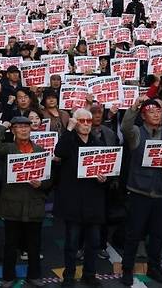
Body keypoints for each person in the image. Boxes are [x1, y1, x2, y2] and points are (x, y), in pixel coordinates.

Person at [120, 97, 162, 286]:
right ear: (144, 116)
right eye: (151, 111)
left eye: (159, 111)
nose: (156, 114)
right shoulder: (137, 133)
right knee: (133, 233)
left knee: (158, 234)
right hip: (140, 191)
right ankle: (127, 270)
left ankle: (155, 268)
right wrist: (135, 106)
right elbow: (125, 127)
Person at [0, 116, 51, 288]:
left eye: (26, 127)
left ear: (31, 129)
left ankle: (35, 275)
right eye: (19, 127)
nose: (23, 130)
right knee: (10, 244)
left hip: (34, 203)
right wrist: (3, 126)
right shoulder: (8, 148)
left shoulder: (40, 150)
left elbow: (49, 179)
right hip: (12, 204)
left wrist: (42, 184)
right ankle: (8, 276)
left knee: (34, 244)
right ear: (14, 130)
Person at [54, 109, 106, 287]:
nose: (86, 124)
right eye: (81, 121)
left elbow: (109, 168)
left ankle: (89, 274)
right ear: (75, 122)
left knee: (93, 242)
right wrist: (69, 129)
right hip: (73, 200)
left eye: (89, 121)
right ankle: (69, 276)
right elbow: (59, 152)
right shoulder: (69, 140)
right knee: (72, 243)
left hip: (93, 200)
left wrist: (104, 178)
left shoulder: (98, 142)